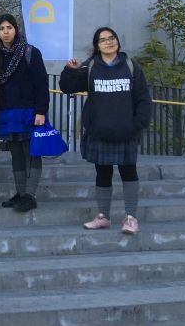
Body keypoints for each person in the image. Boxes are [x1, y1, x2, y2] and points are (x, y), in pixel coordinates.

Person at [61, 27, 151, 235]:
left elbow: (143, 99)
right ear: (97, 45)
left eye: (112, 38)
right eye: (103, 40)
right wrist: (70, 70)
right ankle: (103, 216)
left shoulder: (131, 66)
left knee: (129, 172)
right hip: (100, 131)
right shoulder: (90, 66)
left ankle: (130, 218)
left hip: (126, 131)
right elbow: (68, 87)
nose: (109, 42)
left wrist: (136, 125)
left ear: (117, 41)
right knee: (103, 172)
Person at [0, 14, 49, 213]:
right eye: (2, 28)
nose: (6, 31)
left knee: (32, 153)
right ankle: (20, 193)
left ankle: (30, 195)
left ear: (16, 29)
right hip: (7, 111)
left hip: (29, 110)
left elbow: (42, 84)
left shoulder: (30, 52)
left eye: (9, 27)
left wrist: (41, 111)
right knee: (16, 154)